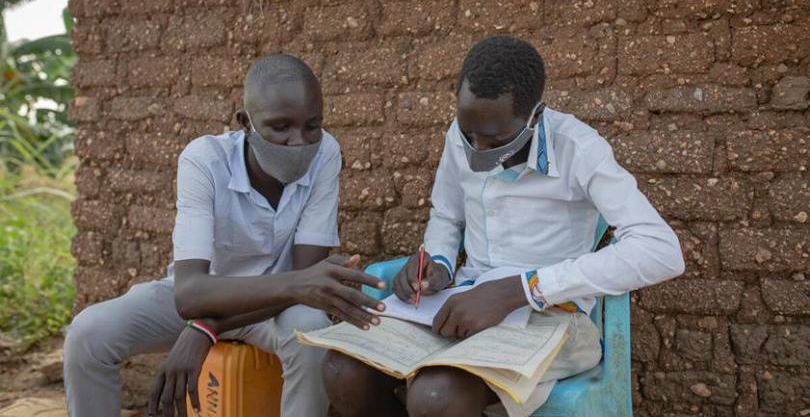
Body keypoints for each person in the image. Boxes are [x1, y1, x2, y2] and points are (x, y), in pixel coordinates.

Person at [323, 35, 685, 417]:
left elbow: (661, 250)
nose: (477, 151)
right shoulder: (460, 135)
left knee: (436, 397)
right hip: (463, 302)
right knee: (343, 371)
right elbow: (447, 215)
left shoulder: (577, 148)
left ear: (535, 115)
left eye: (495, 140)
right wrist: (439, 263)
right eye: (469, 134)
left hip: (553, 315)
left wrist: (522, 289)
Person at [63, 54, 386, 417]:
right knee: (88, 334)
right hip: (208, 296)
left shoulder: (325, 152)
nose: (299, 142)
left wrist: (205, 329)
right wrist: (203, 320)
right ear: (246, 123)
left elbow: (308, 285)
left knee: (308, 329)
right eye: (280, 127)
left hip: (273, 310)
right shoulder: (205, 160)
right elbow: (189, 294)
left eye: (312, 125)